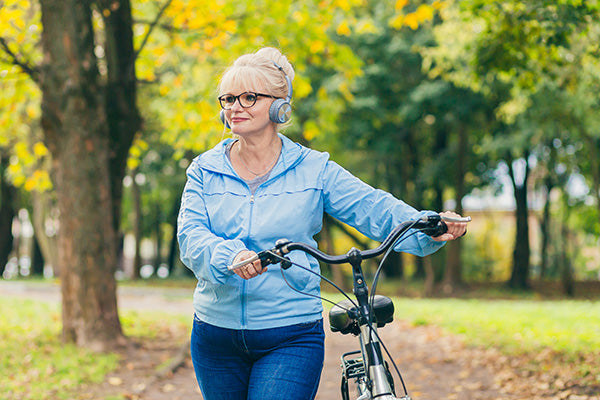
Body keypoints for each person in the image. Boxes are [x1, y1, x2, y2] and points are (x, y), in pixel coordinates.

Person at [177, 47, 468, 400]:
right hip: (215, 335)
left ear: (279, 106)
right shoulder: (205, 170)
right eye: (227, 99)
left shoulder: (314, 169)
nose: (234, 107)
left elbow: (372, 207)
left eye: (249, 97)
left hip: (290, 334)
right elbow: (191, 236)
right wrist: (230, 255)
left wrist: (427, 223)